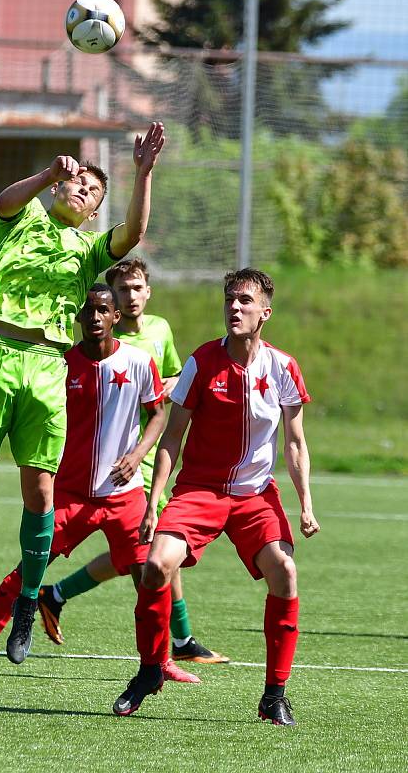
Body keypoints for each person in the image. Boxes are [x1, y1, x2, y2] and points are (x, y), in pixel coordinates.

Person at [0, 122, 165, 666]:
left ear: (91, 213)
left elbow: (130, 235)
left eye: (92, 192)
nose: (82, 190)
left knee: (40, 493)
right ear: (60, 188)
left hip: (46, 366)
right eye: (79, 182)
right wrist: (46, 174)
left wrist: (143, 172)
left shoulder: (88, 251)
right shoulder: (25, 219)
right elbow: (4, 200)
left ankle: (26, 607)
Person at [0, 285, 198, 684]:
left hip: (123, 498)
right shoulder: (59, 366)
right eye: (88, 312)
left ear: (116, 316)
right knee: (28, 568)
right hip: (69, 494)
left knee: (150, 576)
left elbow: (157, 414)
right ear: (78, 319)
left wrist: (136, 455)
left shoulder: (138, 362)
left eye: (102, 311)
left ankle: (161, 661)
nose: (95, 318)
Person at [112, 267, 320, 725]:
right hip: (200, 491)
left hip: (254, 497)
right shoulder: (201, 362)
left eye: (245, 301)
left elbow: (295, 441)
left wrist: (305, 502)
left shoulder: (283, 366)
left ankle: (274, 695)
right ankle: (150, 669)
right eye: (229, 299)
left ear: (265, 312)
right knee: (155, 565)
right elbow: (172, 436)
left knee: (285, 570)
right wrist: (156, 498)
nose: (234, 308)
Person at [38, 258, 228, 664]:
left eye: (137, 287)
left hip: (148, 451)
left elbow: (176, 377)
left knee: (145, 554)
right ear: (113, 303)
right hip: (118, 464)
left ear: (147, 292)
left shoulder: (159, 330)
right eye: (122, 290)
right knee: (150, 553)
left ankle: (57, 594)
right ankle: (177, 643)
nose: (131, 295)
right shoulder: (102, 339)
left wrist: (173, 389)